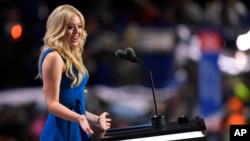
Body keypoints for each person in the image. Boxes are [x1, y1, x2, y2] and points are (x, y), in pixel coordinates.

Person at [36, 4, 111, 141]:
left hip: (76, 127)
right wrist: (78, 118)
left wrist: (96, 119)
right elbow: (52, 104)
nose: (77, 31)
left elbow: (73, 106)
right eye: (70, 27)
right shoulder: (54, 57)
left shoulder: (70, 56)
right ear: (59, 29)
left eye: (80, 26)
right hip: (60, 131)